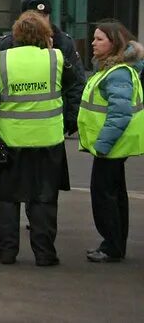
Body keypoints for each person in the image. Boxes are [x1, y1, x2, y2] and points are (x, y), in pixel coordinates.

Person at [0, 11, 79, 266]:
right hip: (48, 140)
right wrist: (68, 121)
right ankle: (44, 253)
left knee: (8, 197)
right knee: (43, 198)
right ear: (47, 35)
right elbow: (74, 86)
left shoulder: (1, 60)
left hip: (10, 141)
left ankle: (7, 252)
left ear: (16, 35)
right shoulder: (56, 58)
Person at [78, 20, 144, 263]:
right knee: (116, 195)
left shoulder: (116, 73)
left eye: (99, 39)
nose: (93, 43)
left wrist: (103, 145)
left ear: (114, 43)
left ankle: (111, 247)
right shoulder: (112, 69)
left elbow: (120, 113)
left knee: (104, 195)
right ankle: (115, 244)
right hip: (116, 145)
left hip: (111, 145)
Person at [0, 0, 86, 100]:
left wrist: (71, 116)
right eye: (37, 16)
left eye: (45, 15)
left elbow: (76, 85)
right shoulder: (8, 43)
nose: (42, 20)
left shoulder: (63, 42)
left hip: (53, 112)